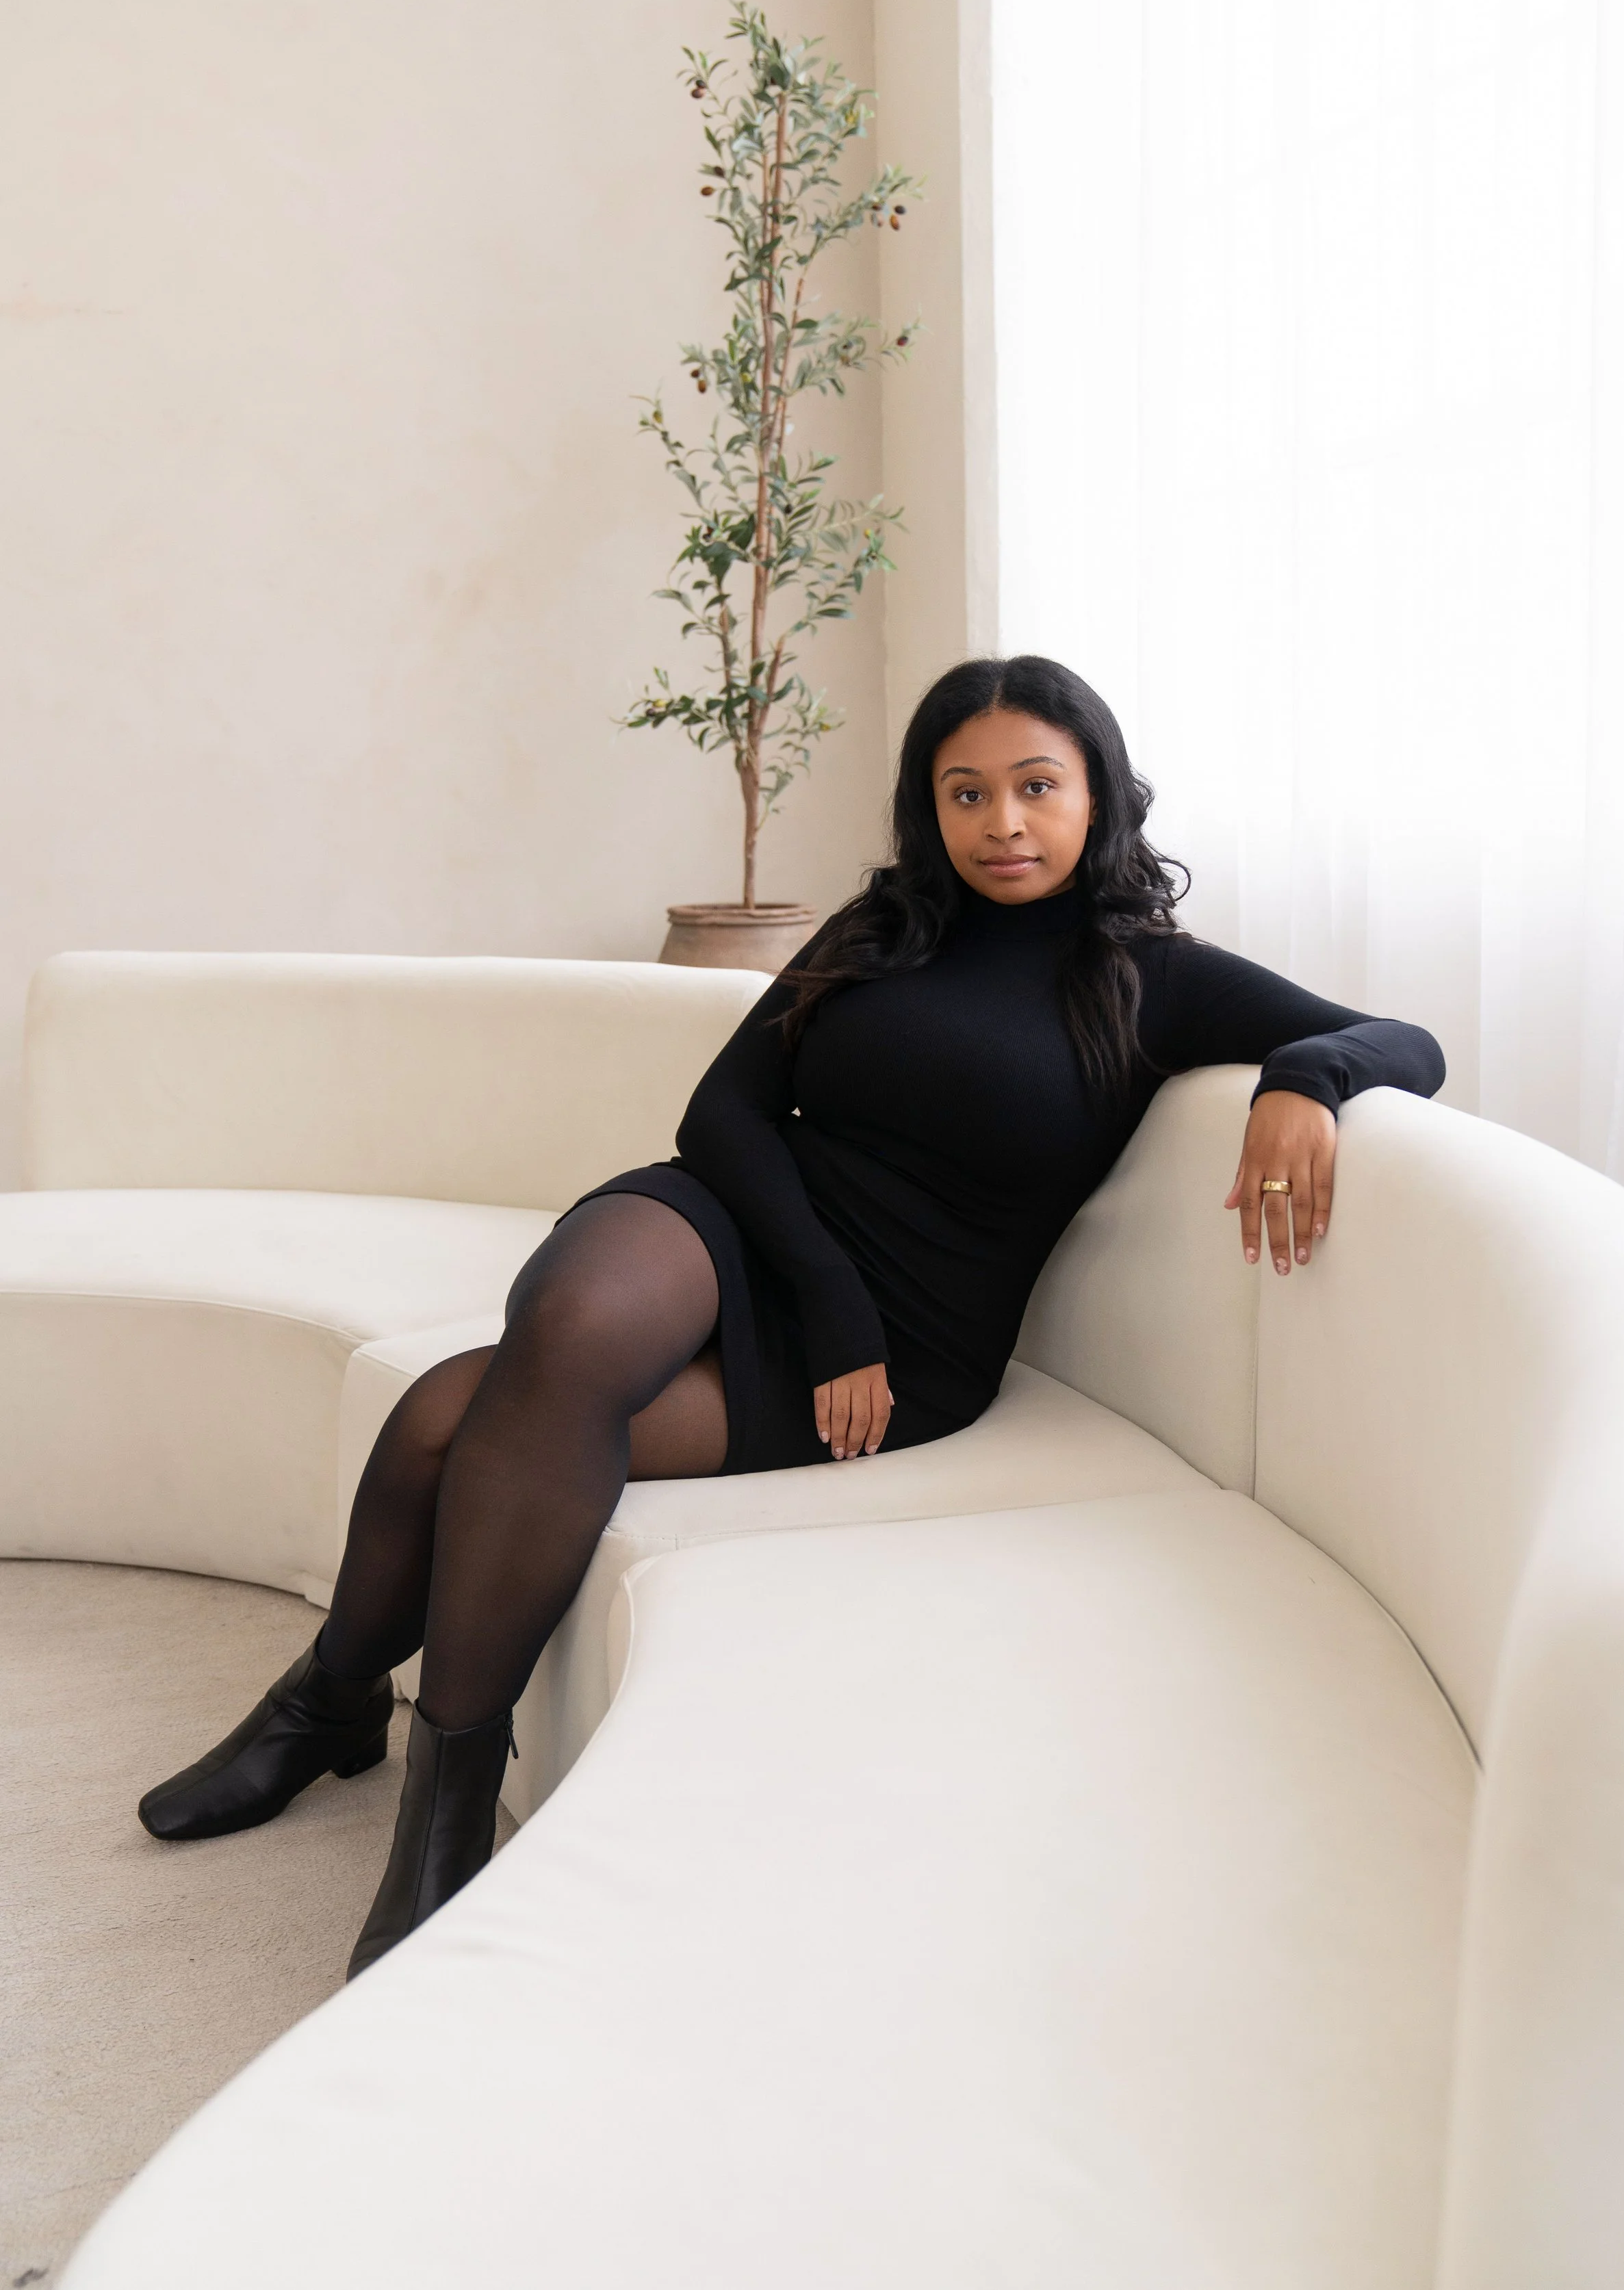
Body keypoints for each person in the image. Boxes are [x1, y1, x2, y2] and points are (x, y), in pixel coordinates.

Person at [138, 656, 1444, 1978]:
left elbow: (1402, 1040)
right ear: (926, 809)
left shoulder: (1155, 978)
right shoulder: (884, 927)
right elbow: (725, 1111)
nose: (1004, 823)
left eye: (1037, 787)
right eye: (967, 792)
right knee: (579, 1319)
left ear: (1097, 792)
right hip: (746, 1237)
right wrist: (828, 1307)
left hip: (914, 1340)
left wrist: (1306, 1079)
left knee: (446, 1418)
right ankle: (409, 1775)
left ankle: (355, 1723)